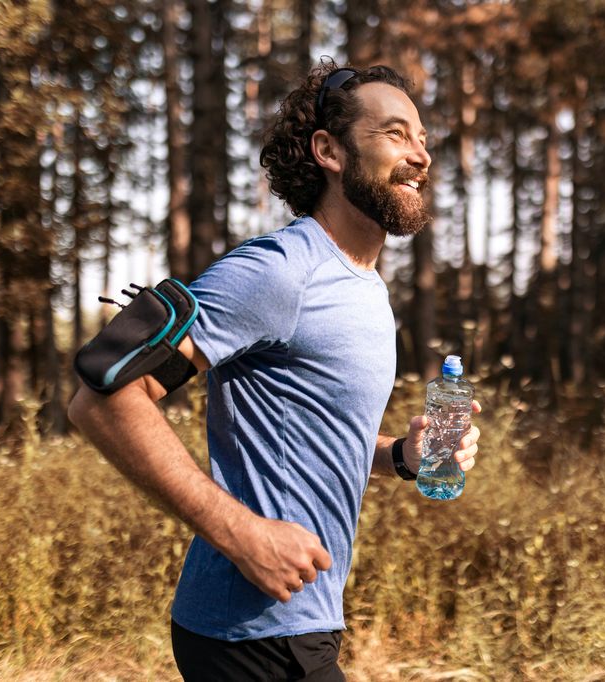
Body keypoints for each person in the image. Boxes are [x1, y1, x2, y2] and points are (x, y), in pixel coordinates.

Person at [67, 61, 482, 681]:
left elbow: (302, 429)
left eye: (422, 138)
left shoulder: (361, 283)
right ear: (329, 151)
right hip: (254, 634)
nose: (420, 155)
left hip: (299, 623)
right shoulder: (282, 270)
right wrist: (240, 533)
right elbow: (101, 398)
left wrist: (401, 455)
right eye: (395, 134)